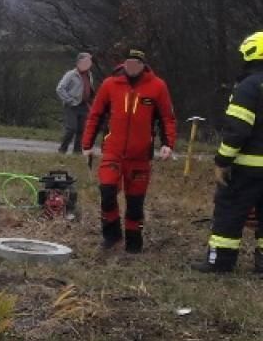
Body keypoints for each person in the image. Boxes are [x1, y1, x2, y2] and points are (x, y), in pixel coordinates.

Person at [81, 49, 176, 253]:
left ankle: (133, 242)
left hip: (140, 156)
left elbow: (167, 118)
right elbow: (95, 115)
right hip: (113, 152)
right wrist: (87, 145)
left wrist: (168, 144)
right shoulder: (110, 84)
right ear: (123, 65)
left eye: (136, 63)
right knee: (107, 192)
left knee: (134, 204)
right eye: (128, 63)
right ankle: (111, 235)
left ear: (143, 65)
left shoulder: (158, 86)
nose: (131, 67)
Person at [195, 32, 263, 274]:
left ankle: (220, 262)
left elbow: (237, 130)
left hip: (247, 168)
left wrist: (222, 160)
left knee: (230, 211)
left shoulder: (248, 87)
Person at [56, 52, 95, 154]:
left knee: (82, 130)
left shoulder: (89, 75)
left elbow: (88, 89)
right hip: (72, 106)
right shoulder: (71, 74)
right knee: (72, 128)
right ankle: (62, 149)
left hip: (84, 106)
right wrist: (69, 100)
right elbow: (60, 89)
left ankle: (77, 152)